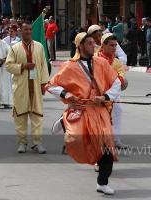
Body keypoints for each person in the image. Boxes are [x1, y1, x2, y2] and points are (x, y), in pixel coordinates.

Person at [46, 32, 120, 195]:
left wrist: (105, 96)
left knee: (107, 147)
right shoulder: (69, 66)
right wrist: (67, 95)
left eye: (94, 43)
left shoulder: (101, 63)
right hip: (81, 109)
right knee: (77, 141)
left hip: (100, 110)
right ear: (80, 46)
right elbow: (51, 85)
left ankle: (102, 182)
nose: (93, 45)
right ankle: (66, 122)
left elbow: (116, 83)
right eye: (89, 43)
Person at [5, 22, 49, 154]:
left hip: (35, 86)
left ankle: (37, 143)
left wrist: (43, 84)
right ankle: (22, 142)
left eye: (30, 29)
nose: (28, 32)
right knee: (20, 115)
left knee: (37, 115)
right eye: (26, 29)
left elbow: (43, 66)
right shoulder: (15, 48)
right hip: (21, 87)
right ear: (21, 31)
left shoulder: (40, 47)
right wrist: (23, 66)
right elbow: (8, 66)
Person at [97, 33, 128, 149]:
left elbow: (120, 77)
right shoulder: (95, 58)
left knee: (118, 110)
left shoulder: (116, 62)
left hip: (112, 94)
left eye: (115, 45)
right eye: (111, 45)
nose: (114, 48)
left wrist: (116, 81)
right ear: (103, 46)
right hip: (96, 94)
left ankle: (116, 140)